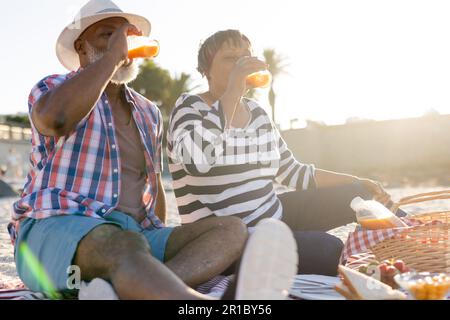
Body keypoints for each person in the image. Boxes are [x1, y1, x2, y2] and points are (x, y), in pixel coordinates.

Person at [7, 1, 297, 300]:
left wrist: (154, 233)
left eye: (126, 37)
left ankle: (137, 287)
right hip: (56, 229)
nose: (121, 44)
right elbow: (56, 119)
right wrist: (111, 59)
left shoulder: (148, 112)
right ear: (81, 48)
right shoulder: (53, 87)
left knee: (231, 230)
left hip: (136, 236)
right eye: (107, 35)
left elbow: (153, 184)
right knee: (122, 244)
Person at [166, 29, 396, 276]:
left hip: (273, 214)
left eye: (246, 57)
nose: (242, 64)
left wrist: (357, 180)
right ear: (206, 70)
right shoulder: (190, 107)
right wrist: (233, 89)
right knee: (329, 250)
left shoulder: (257, 113)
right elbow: (196, 160)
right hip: (226, 238)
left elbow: (292, 172)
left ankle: (413, 247)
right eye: (231, 58)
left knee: (360, 196)